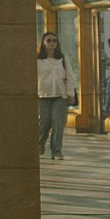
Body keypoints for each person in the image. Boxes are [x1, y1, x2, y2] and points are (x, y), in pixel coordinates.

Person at [37, 31, 76, 160]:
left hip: (60, 95)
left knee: (58, 123)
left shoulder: (62, 59)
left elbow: (70, 76)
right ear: (43, 43)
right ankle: (40, 143)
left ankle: (56, 151)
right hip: (43, 95)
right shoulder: (37, 59)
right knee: (44, 123)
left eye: (54, 41)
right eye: (49, 40)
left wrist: (71, 93)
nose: (52, 43)